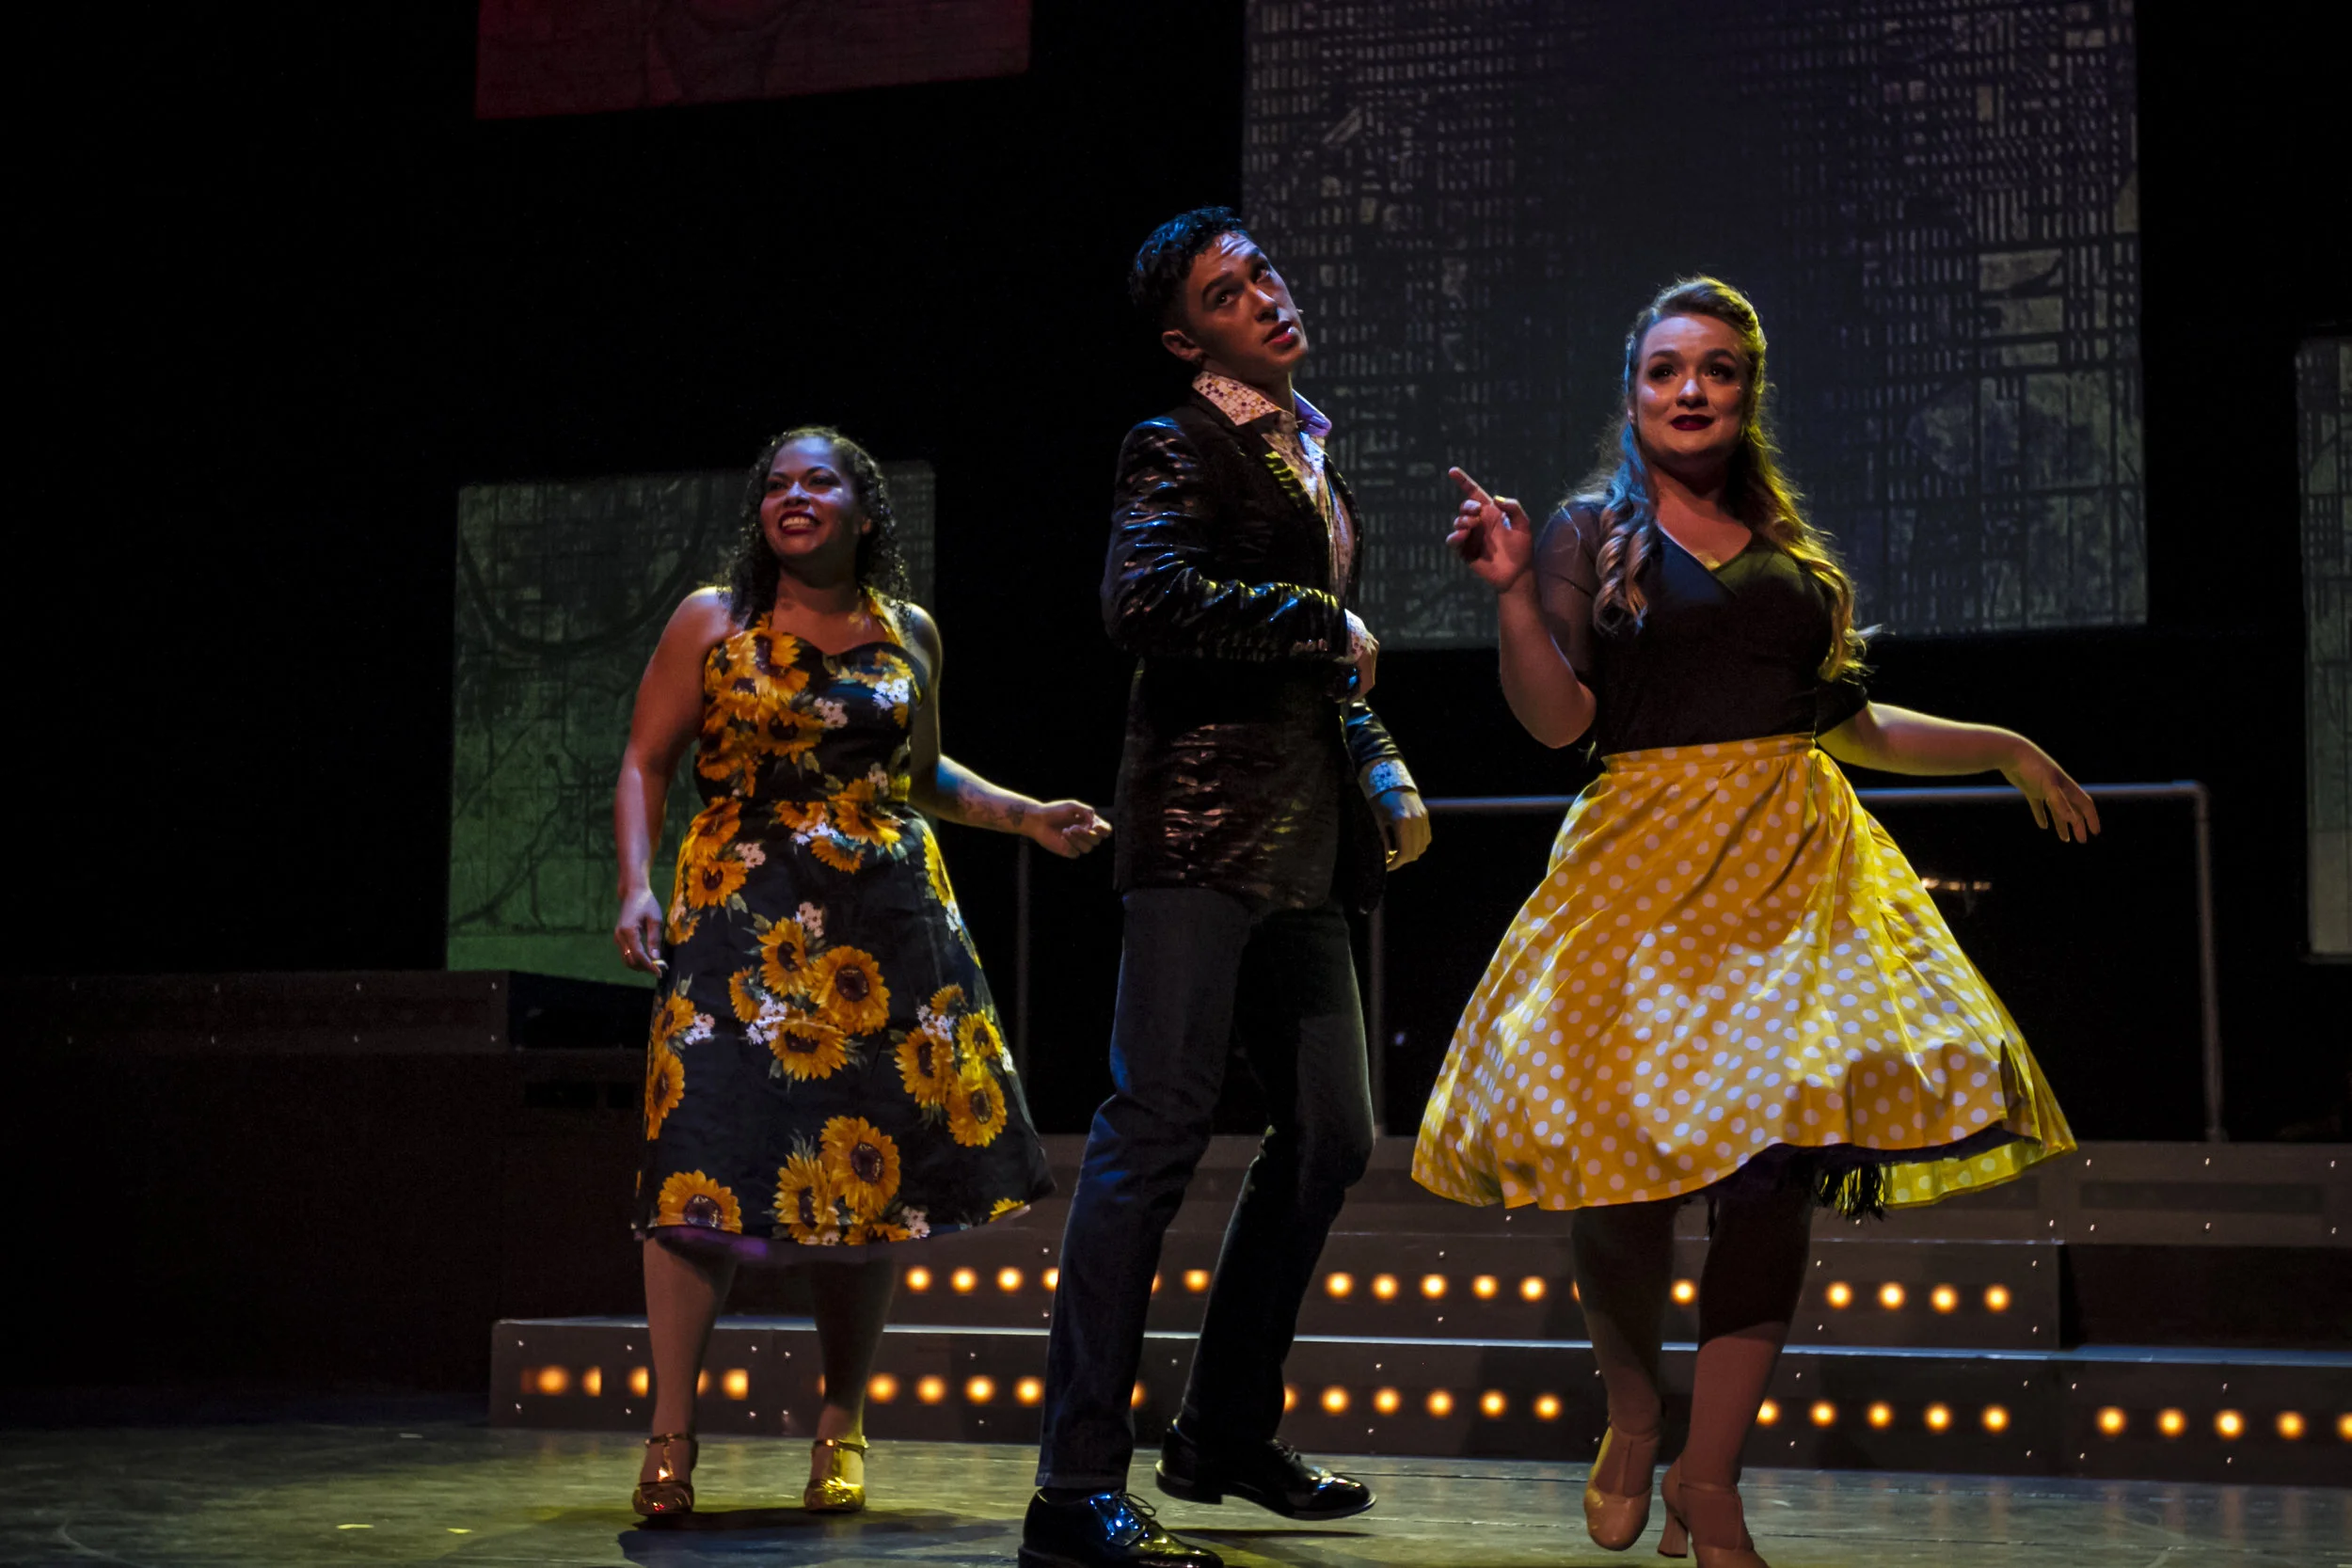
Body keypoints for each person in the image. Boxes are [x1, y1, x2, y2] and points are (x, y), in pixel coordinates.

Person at [1413, 277, 2085, 1568]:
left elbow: (1850, 726)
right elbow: (1560, 724)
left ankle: (1708, 1478)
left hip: (1792, 871)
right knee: (1620, 1173)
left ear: (1748, 389)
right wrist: (1506, 593)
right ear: (1633, 391)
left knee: (1776, 1170)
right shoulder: (1588, 534)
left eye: (1717, 368)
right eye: (1669, 368)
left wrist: (2004, 743)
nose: (1692, 390)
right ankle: (1628, 1412)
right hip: (1645, 873)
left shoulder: (1791, 555)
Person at [1020, 208, 1431, 1568]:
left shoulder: (1308, 451)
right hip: (1198, 834)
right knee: (1152, 1135)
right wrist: (1323, 620)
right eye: (1225, 290)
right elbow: (1144, 600)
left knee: (1330, 1131)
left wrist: (1370, 759)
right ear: (1185, 335)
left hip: (1302, 844)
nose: (1263, 295)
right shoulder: (1178, 438)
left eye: (1262, 271)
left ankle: (1221, 1431)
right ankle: (1074, 1486)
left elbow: (1318, 671)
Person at [612, 425, 1109, 1519]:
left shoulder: (906, 631)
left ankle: (843, 1422)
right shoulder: (713, 618)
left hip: (878, 929)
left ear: (864, 510)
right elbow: (646, 760)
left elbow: (919, 769)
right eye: (777, 483)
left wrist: (1026, 817)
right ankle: (670, 1435)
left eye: (818, 481)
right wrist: (636, 885)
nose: (794, 496)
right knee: (699, 1175)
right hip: (739, 919)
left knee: (862, 1174)